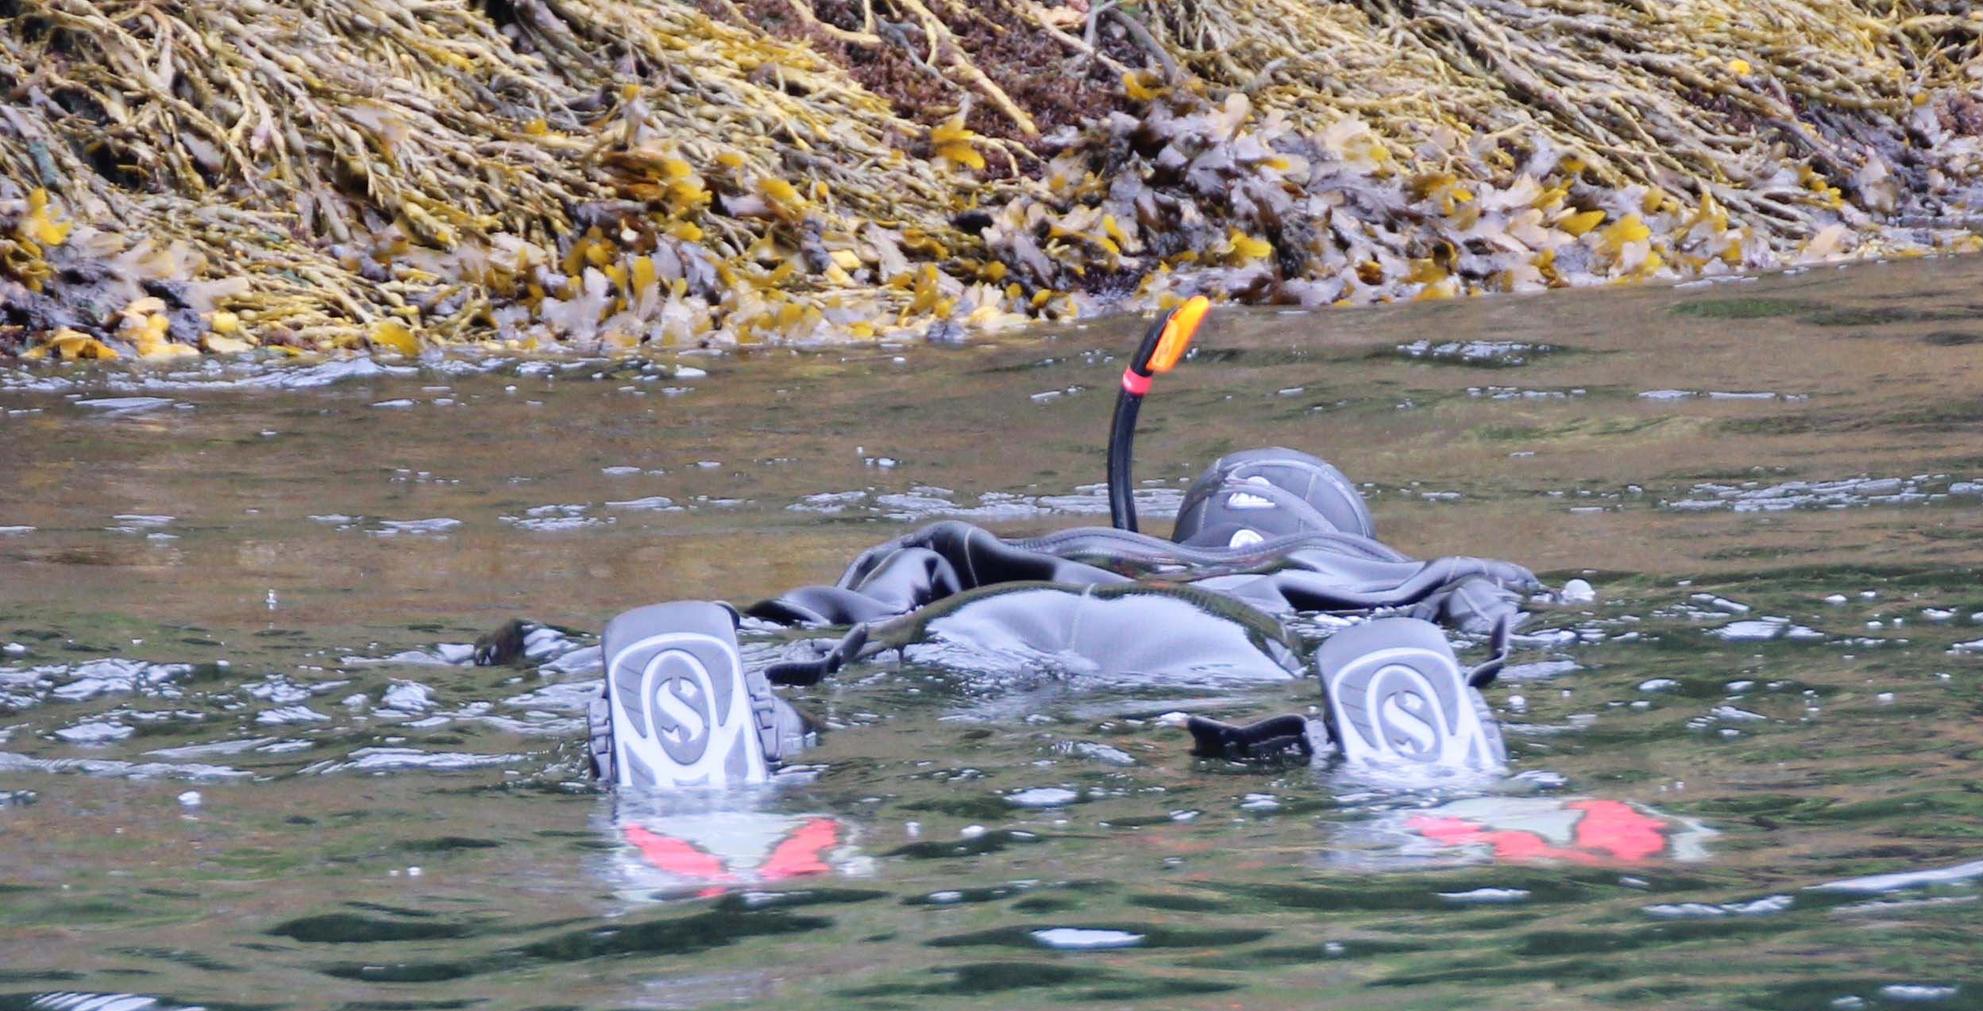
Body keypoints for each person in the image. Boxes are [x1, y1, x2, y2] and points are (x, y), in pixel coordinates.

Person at [488, 297, 1547, 790]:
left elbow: (874, 586)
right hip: (1209, 653)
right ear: (1334, 528)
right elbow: (1474, 587)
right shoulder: (1316, 569)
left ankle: (760, 719)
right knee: (1277, 712)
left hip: (978, 623)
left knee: (846, 674)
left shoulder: (1070, 543)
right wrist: (1492, 634)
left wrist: (772, 635)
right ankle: (1347, 737)